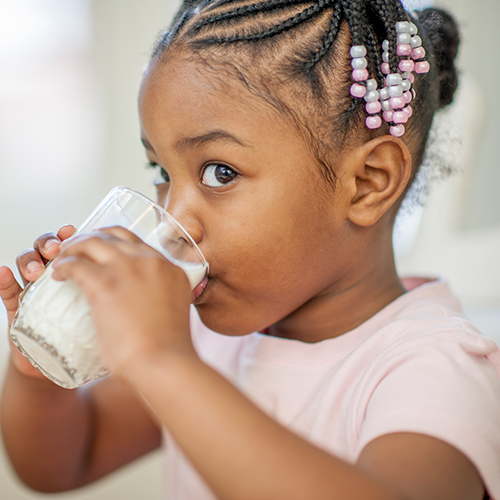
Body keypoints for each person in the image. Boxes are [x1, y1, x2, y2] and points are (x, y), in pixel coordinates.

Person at [1, 1, 499, 499]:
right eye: (162, 173)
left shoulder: (432, 368)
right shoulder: (208, 341)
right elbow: (65, 460)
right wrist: (41, 366)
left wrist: (166, 361)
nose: (175, 222)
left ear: (368, 183)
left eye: (220, 172)